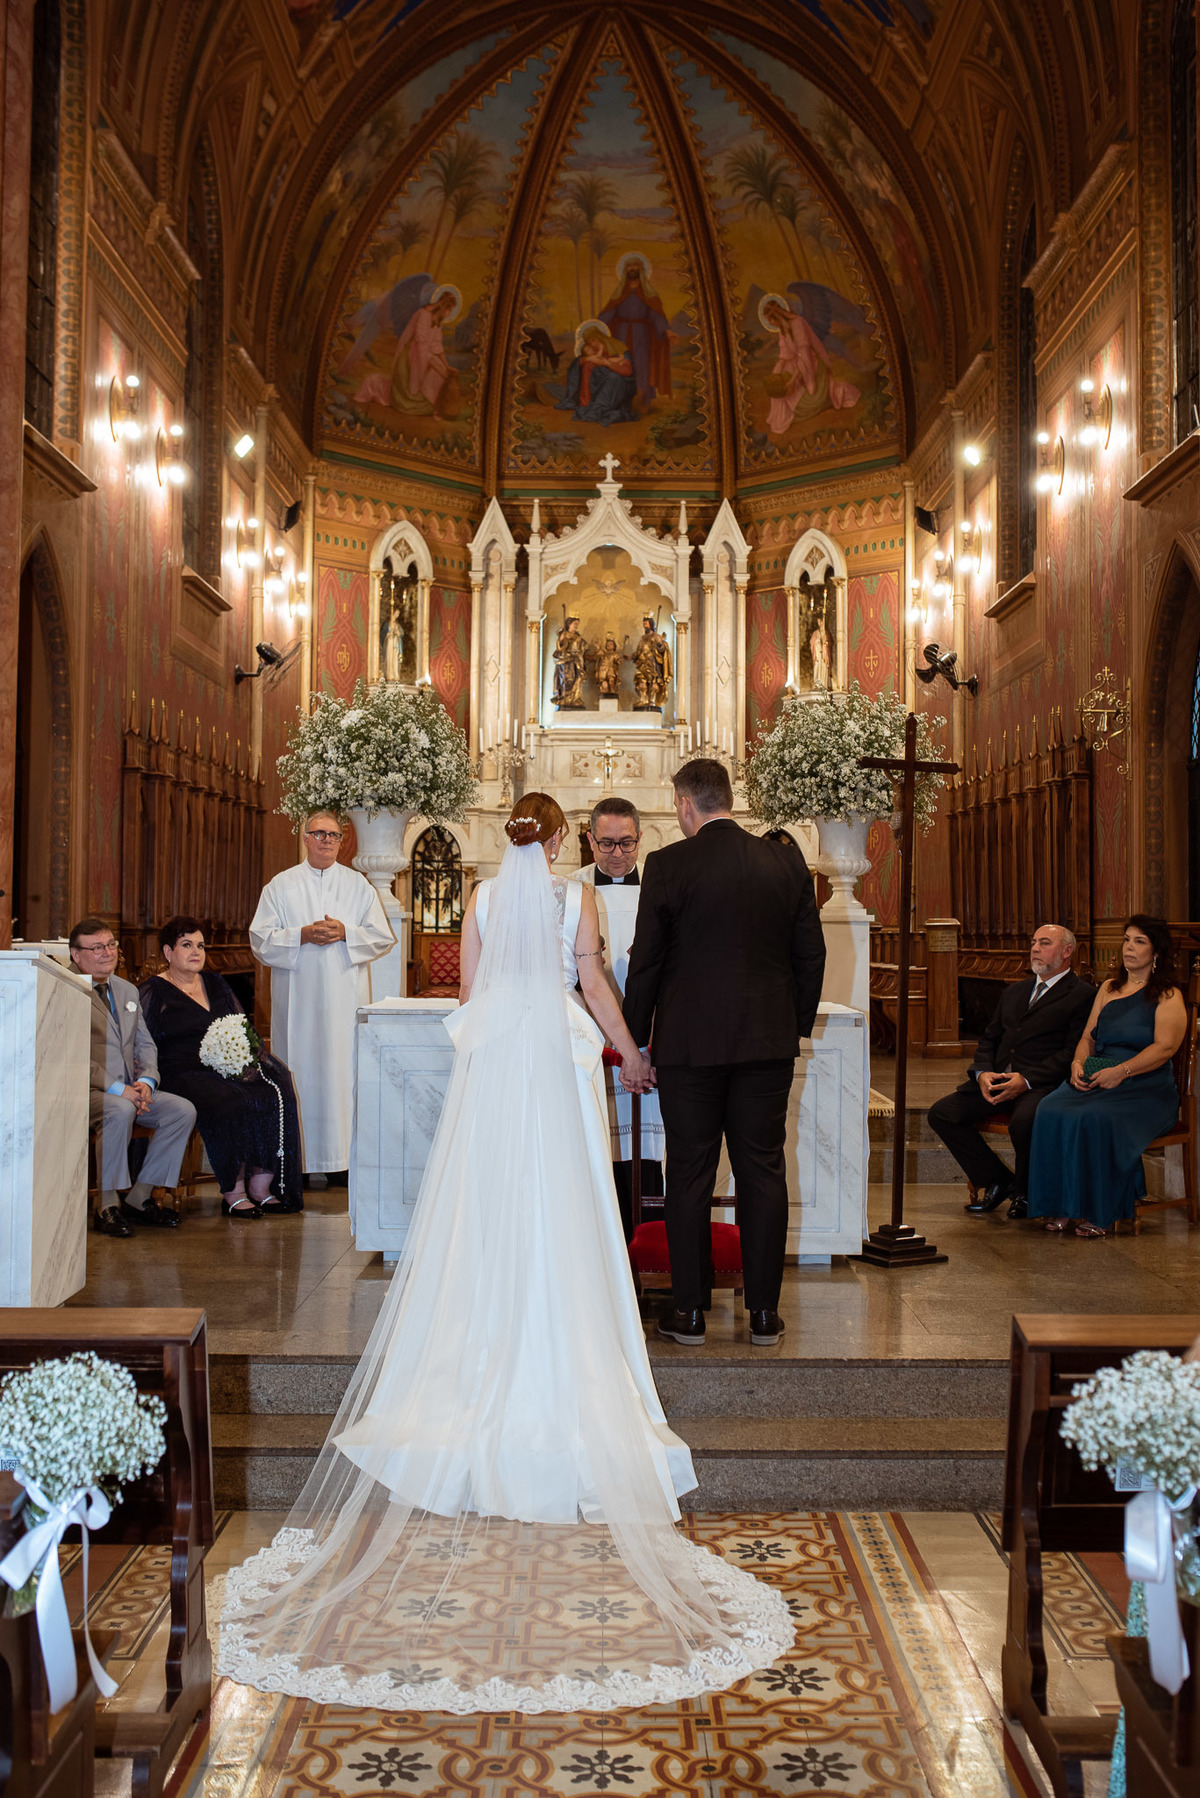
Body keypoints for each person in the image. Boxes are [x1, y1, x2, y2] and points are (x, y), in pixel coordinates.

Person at [219, 792, 792, 1712]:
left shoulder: (483, 900)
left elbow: (468, 995)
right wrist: (628, 1050)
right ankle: (562, 1361)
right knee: (564, 1206)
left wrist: (517, 1026)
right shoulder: (579, 900)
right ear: (563, 839)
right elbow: (596, 985)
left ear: (510, 837)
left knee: (488, 1209)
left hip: (500, 1066)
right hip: (559, 1063)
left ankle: (476, 1356)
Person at [623, 759, 826, 1349]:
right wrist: (791, 1026)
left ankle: (688, 1313)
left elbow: (649, 961)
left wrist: (637, 1036)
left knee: (688, 1173)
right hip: (766, 1043)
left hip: (689, 1046)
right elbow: (808, 955)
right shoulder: (784, 860)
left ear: (686, 805)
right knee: (763, 1168)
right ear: (728, 799)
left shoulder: (667, 864)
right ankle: (764, 1314)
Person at [250, 813, 393, 1186]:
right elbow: (260, 940)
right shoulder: (280, 887)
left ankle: (343, 1162)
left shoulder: (358, 885)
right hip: (297, 1002)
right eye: (319, 834)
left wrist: (346, 933)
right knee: (299, 1070)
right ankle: (300, 1160)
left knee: (342, 1075)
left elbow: (381, 937)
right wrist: (301, 935)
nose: (327, 840)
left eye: (334, 835)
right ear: (305, 838)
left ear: (342, 841)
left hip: (344, 999)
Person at [1028, 916, 1187, 1237]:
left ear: (1157, 952)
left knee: (1095, 1116)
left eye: (1139, 941)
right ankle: (1060, 1205)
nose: (1129, 947)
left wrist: (1122, 1071)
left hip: (1145, 1085)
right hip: (1099, 1072)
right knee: (1049, 1108)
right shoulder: (1108, 988)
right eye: (1127, 939)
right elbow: (1088, 1037)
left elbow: (1165, 1048)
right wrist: (1077, 1063)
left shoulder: (1169, 996)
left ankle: (1100, 1210)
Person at [927, 924, 1095, 1221]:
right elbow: (989, 1039)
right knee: (942, 1113)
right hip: (998, 1080)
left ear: (1067, 951)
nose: (1034, 948)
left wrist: (1026, 1080)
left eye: (1044, 943)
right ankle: (999, 1180)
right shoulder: (1015, 991)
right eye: (1033, 942)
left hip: (1041, 1084)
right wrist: (982, 1073)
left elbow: (1072, 1052)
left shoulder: (1082, 995)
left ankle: (1028, 1193)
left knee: (1025, 1122)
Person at [140, 917, 303, 1217]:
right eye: (186, 945)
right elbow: (143, 1042)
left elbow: (241, 1026)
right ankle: (234, 1189)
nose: (196, 952)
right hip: (180, 1072)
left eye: (200, 945)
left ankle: (262, 1185)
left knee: (276, 1086)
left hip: (222, 1067)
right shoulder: (154, 990)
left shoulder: (215, 982)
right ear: (167, 952)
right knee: (231, 1100)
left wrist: (246, 1058)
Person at [572, 796, 664, 1239]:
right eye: (606, 843)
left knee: (649, 1144)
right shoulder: (572, 891)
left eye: (626, 843)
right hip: (592, 1035)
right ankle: (602, 1243)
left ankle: (651, 1243)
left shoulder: (660, 890)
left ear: (640, 839)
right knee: (597, 1140)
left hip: (650, 1035)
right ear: (589, 840)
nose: (617, 853)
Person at [71, 917, 197, 1238]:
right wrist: (119, 1090)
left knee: (182, 1111)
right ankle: (107, 1205)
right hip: (83, 1090)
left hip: (130, 1089)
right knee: (121, 1109)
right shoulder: (65, 990)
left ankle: (139, 1199)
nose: (107, 953)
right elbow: (71, 1056)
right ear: (76, 954)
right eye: (97, 948)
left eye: (111, 945)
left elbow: (145, 1043)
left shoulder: (126, 989)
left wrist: (147, 1082)